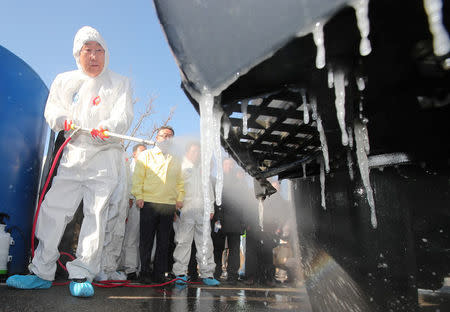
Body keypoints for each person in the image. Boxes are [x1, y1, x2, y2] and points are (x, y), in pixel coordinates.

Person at [6, 26, 134, 297]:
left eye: (99, 51)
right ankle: (41, 270)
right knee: (53, 210)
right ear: (78, 54)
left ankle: (82, 274)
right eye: (88, 51)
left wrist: (108, 126)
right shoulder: (65, 80)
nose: (94, 57)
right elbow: (52, 110)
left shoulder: (119, 82)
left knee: (95, 216)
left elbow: (123, 116)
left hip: (104, 158)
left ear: (106, 54)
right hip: (73, 154)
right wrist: (63, 120)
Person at [131, 126, 184, 284]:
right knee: (146, 240)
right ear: (157, 137)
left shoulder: (176, 158)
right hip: (148, 202)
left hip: (168, 205)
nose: (167, 139)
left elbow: (180, 182)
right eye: (164, 135)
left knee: (163, 242)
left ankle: (159, 274)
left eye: (170, 137)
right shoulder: (146, 155)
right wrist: (139, 195)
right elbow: (138, 177)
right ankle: (145, 272)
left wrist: (179, 198)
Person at [172, 142, 220, 286]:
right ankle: (180, 273)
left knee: (205, 243)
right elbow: (174, 188)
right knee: (183, 242)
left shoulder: (202, 169)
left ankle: (207, 274)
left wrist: (211, 208)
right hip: (185, 210)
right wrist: (175, 208)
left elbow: (208, 190)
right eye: (193, 151)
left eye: (198, 152)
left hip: (202, 211)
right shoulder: (180, 167)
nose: (196, 155)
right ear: (187, 152)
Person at [118, 143, 147, 280]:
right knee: (131, 237)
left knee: (145, 239)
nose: (144, 154)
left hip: (147, 206)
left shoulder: (148, 169)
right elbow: (128, 185)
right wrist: (129, 198)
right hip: (133, 205)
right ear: (134, 153)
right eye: (141, 151)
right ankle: (130, 268)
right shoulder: (129, 167)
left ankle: (142, 268)